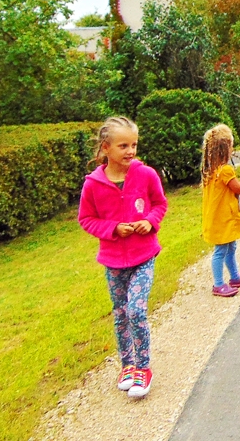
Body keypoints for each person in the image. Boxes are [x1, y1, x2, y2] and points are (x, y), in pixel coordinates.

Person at [79, 116, 167, 399]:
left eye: (134, 145)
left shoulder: (146, 174)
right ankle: (127, 365)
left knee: (136, 310)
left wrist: (150, 222)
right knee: (120, 314)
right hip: (113, 260)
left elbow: (159, 204)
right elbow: (86, 219)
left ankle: (143, 367)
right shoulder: (92, 184)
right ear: (106, 148)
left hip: (144, 255)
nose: (131, 151)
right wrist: (113, 228)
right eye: (123, 146)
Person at [201, 124, 240, 298]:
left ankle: (235, 277)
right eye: (231, 146)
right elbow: (238, 188)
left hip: (221, 217)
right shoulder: (225, 170)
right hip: (222, 219)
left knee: (230, 247)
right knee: (221, 251)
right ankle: (218, 284)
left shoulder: (211, 170)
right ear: (225, 148)